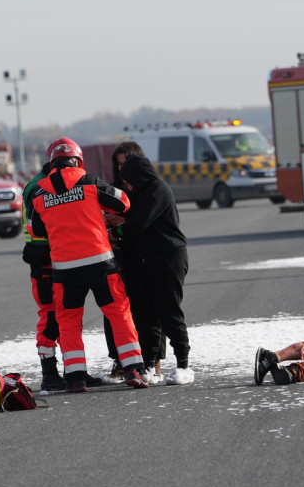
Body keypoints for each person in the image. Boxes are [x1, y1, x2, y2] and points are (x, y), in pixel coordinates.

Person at [29, 137, 149, 392]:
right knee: (119, 314)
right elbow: (124, 203)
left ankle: (75, 377)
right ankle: (134, 369)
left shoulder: (39, 193)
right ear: (78, 160)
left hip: (64, 269)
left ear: (52, 162)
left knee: (68, 322)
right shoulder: (90, 181)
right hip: (100, 262)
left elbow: (38, 231)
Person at [109, 155, 194, 385]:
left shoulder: (158, 189)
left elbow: (138, 223)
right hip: (150, 258)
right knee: (147, 312)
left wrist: (115, 232)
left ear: (138, 175)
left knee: (169, 310)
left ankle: (183, 364)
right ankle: (148, 365)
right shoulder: (143, 192)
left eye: (129, 181)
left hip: (169, 256)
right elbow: (131, 217)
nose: (128, 187)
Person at [21, 161, 104, 393]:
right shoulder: (39, 187)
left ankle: (74, 371)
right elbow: (44, 225)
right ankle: (49, 373)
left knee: (69, 318)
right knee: (50, 317)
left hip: (56, 260)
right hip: (44, 263)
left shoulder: (43, 184)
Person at [101, 140, 166, 383]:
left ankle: (154, 359)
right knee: (117, 309)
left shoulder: (151, 188)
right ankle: (120, 360)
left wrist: (121, 222)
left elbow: (142, 221)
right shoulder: (112, 188)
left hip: (146, 254)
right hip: (120, 254)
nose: (122, 170)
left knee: (150, 309)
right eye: (118, 165)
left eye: (125, 163)